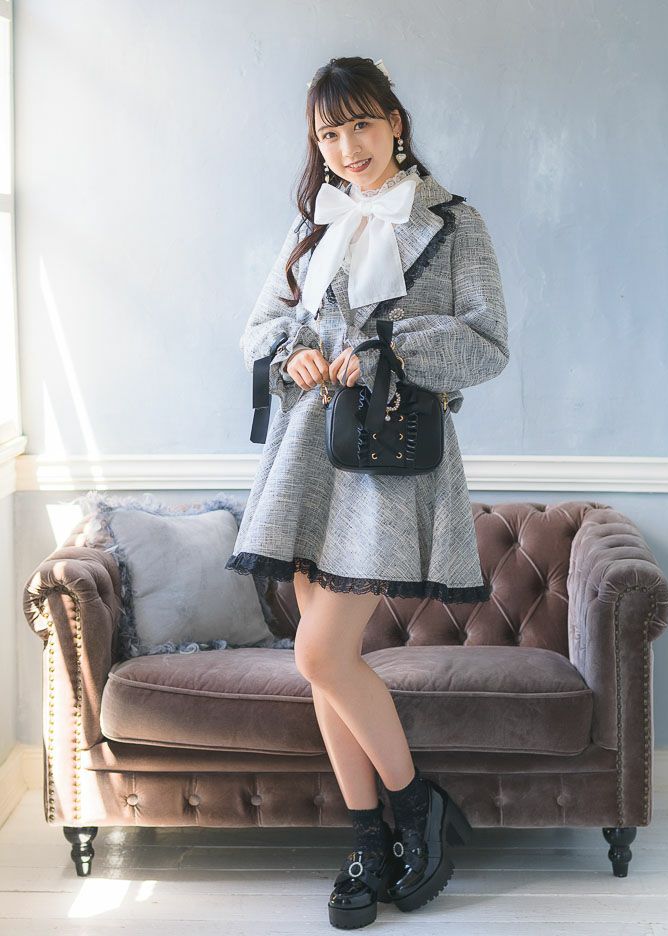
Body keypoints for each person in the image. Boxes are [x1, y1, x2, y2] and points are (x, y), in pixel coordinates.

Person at [225, 56, 509, 928]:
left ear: (395, 123)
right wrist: (294, 354)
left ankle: (418, 807)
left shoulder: (452, 222)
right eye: (329, 133)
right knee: (325, 667)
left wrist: (390, 351)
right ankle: (368, 843)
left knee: (319, 655)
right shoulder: (312, 222)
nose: (347, 147)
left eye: (360, 125)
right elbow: (260, 328)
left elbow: (487, 345)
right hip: (307, 454)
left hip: (388, 457)